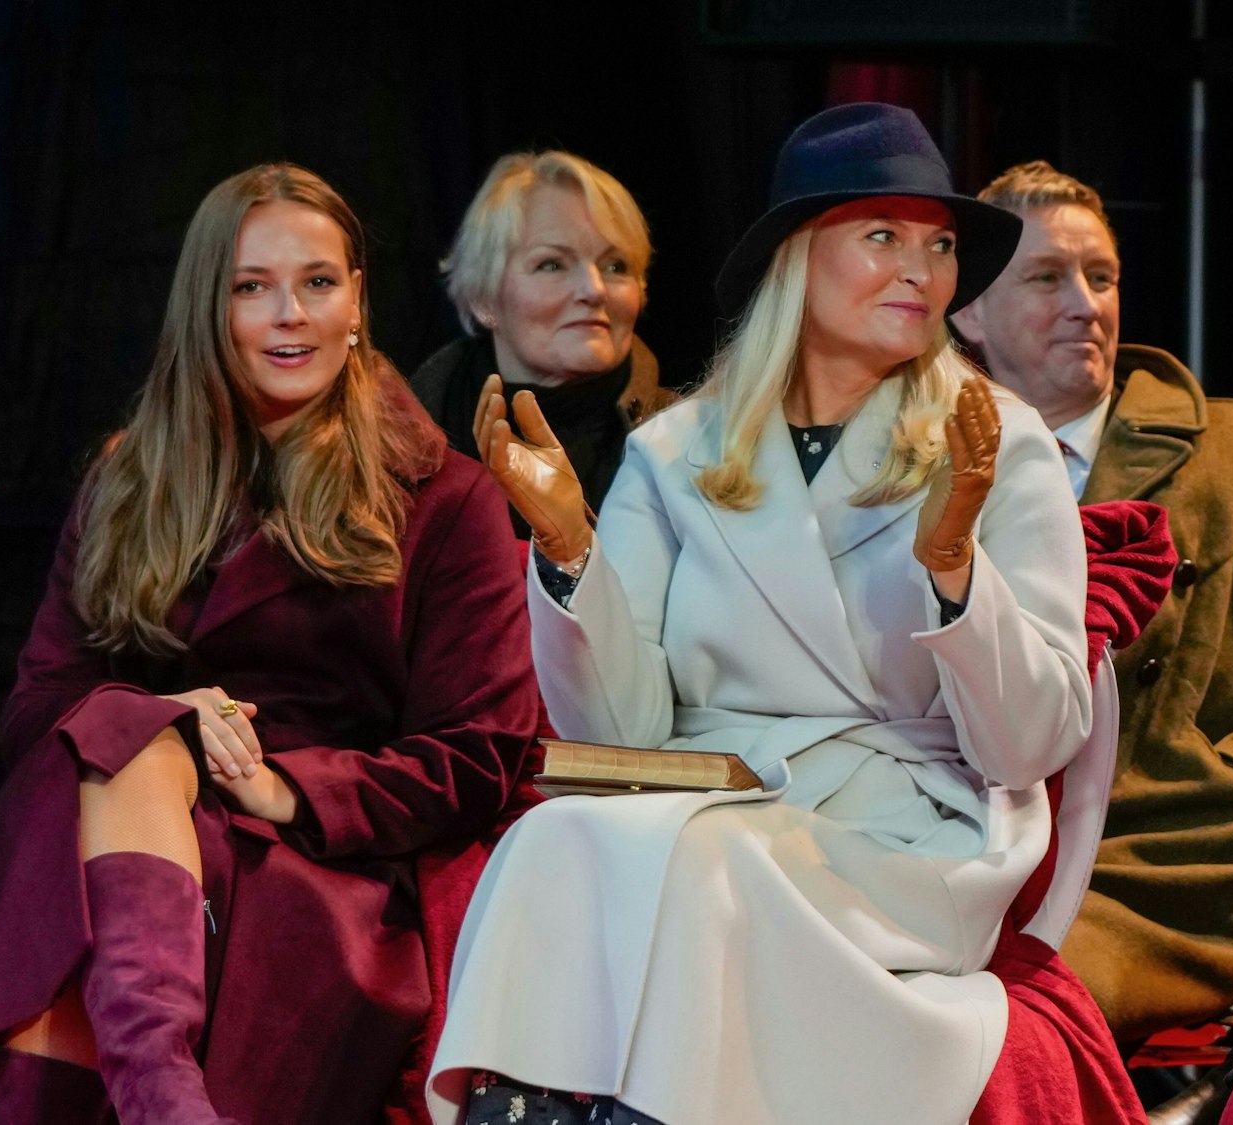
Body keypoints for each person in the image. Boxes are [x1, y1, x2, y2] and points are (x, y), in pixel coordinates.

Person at [429, 103, 1095, 1125]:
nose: (921, 271)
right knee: (552, 841)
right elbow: (621, 732)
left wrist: (957, 568)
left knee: (703, 867)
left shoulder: (993, 440)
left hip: (906, 833)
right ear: (797, 256)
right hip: (711, 804)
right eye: (882, 237)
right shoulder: (677, 450)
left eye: (941, 246)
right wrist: (569, 548)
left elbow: (1032, 743)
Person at [0, 165, 538, 1123]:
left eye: (318, 282)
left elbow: (477, 754)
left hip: (317, 863)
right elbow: (34, 708)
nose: (290, 315)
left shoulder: (447, 496)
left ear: (358, 301)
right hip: (128, 824)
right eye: (251, 286)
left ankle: (155, 1094)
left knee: (86, 874)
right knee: (119, 749)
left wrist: (286, 787)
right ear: (206, 306)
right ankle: (161, 1093)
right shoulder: (127, 480)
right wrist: (160, 722)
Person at [951, 160, 1233, 1042]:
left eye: (1102, 276)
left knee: (1001, 1025)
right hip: (958, 852)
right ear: (969, 310)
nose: (1086, 302)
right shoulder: (917, 465)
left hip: (1162, 867)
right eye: (1046, 278)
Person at [413, 151, 672, 534]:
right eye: (552, 264)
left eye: (615, 266)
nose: (594, 290)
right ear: (484, 298)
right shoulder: (401, 443)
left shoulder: (688, 444)